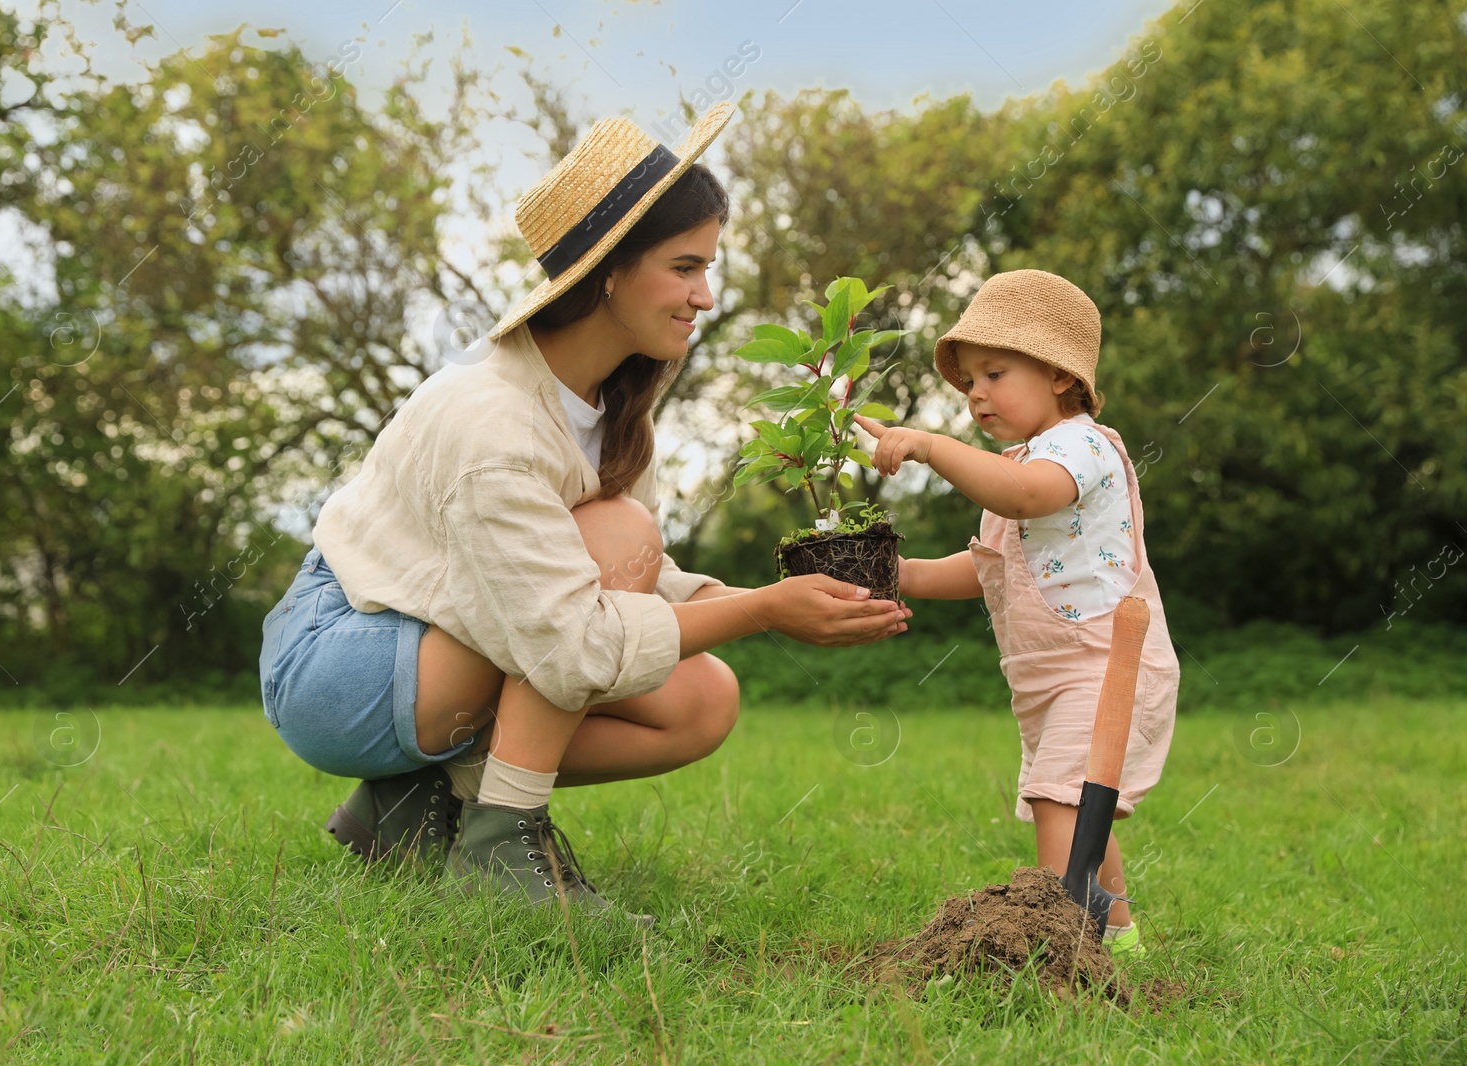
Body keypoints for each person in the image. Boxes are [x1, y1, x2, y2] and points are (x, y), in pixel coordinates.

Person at [259, 102, 910, 925]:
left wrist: (772, 607)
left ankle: (415, 807)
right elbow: (570, 644)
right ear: (608, 271)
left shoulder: (613, 405)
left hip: (440, 645)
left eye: (707, 268)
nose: (704, 296)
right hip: (339, 659)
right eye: (684, 267)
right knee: (616, 549)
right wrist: (763, 610)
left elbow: (638, 577)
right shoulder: (493, 417)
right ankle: (503, 839)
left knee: (703, 698)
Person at [853, 269, 1179, 959]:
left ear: (1060, 375)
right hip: (1046, 678)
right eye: (970, 378)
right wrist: (897, 574)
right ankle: (1117, 940)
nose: (975, 393)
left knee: (1061, 805)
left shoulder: (1082, 447)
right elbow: (986, 567)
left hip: (1104, 667)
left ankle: (1061, 949)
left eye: (994, 372)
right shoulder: (1019, 460)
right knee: (1073, 805)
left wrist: (931, 445)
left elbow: (1027, 496)